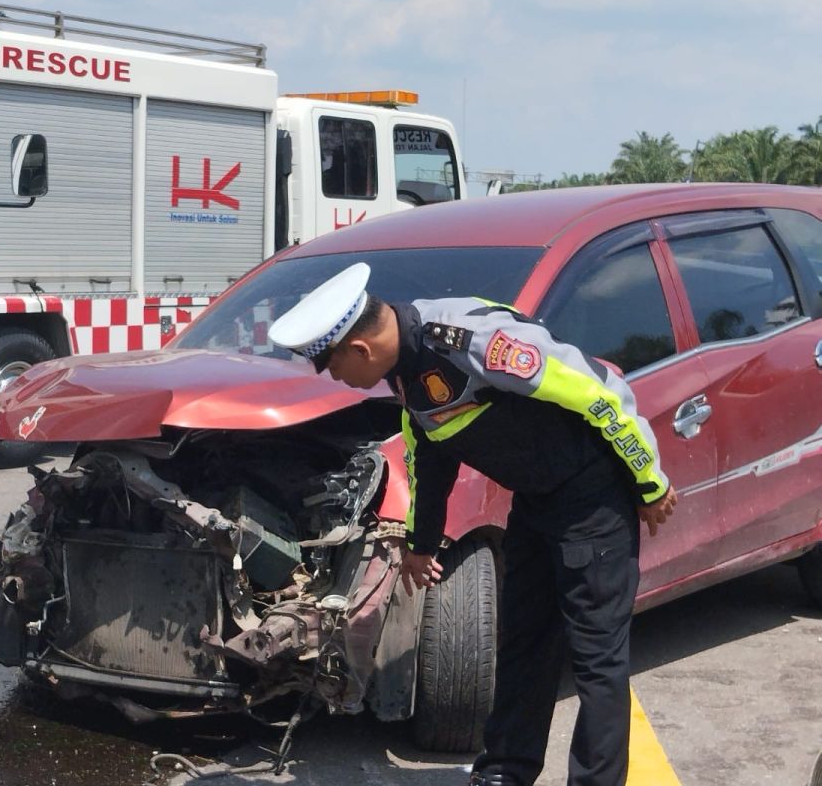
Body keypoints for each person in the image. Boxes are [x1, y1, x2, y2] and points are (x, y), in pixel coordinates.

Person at [268, 263, 678, 786]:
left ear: (360, 349)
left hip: (594, 500)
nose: (335, 379)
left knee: (597, 661)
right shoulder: (405, 373)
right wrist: (419, 544)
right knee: (524, 645)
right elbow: (429, 457)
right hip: (536, 504)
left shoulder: (473, 343)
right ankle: (504, 771)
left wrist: (649, 480)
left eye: (332, 366)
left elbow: (595, 392)